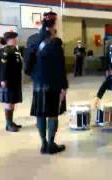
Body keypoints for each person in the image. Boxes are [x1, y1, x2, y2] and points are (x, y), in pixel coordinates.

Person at [29, 11, 68, 154]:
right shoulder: (55, 42)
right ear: (54, 23)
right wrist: (64, 86)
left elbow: (27, 66)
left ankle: (43, 144)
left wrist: (37, 76)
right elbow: (60, 67)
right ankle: (51, 145)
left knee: (40, 114)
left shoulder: (33, 40)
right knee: (52, 114)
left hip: (38, 84)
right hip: (53, 84)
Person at [0, 31, 23, 132]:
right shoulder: (6, 51)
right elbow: (3, 67)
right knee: (9, 102)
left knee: (12, 101)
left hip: (15, 80)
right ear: (10, 39)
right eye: (14, 38)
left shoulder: (14, 50)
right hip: (8, 80)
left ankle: (11, 122)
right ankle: (8, 125)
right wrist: (3, 80)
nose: (16, 40)